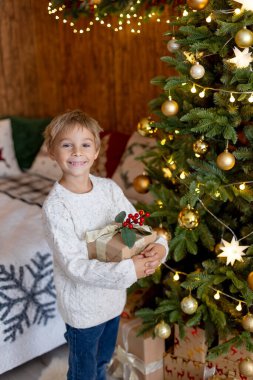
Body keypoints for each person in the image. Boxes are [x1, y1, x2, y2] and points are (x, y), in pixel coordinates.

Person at [42, 110, 168, 380]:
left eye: (85, 144)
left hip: (113, 301)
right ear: (52, 152)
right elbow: (75, 266)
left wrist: (158, 244)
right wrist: (129, 269)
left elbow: (134, 225)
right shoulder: (56, 207)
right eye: (67, 145)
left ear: (96, 151)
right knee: (83, 371)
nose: (77, 152)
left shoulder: (109, 189)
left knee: (102, 361)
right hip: (82, 311)